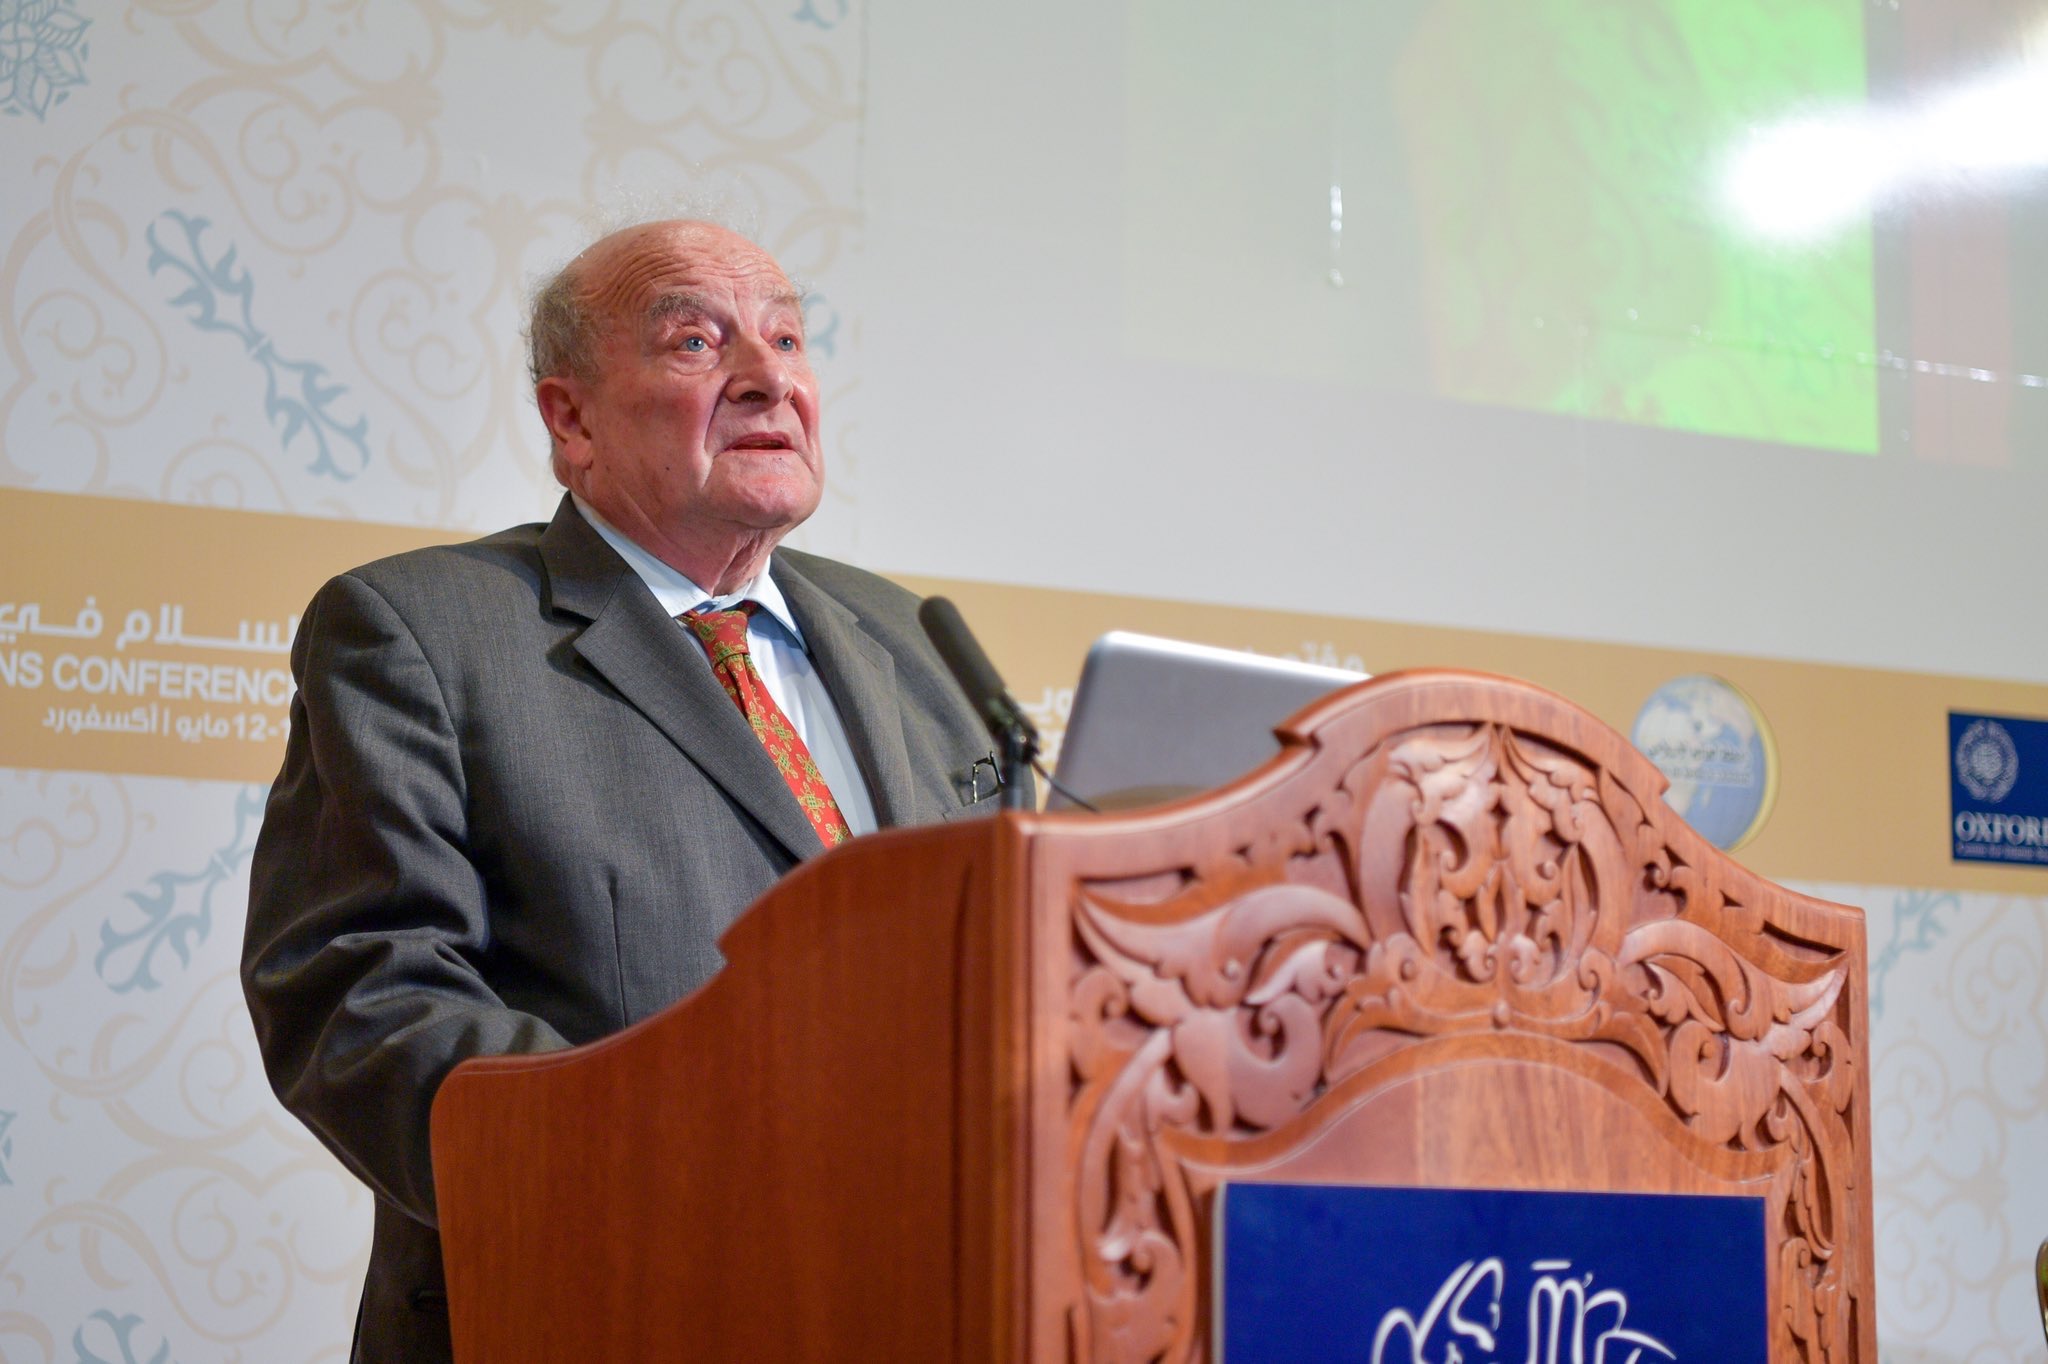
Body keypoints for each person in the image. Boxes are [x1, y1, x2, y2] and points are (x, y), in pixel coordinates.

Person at [241, 218, 1001, 1363]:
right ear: (570, 417)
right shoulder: (421, 631)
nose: (768, 377)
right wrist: (682, 1160)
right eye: (697, 342)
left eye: (788, 338)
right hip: (591, 1304)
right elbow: (358, 995)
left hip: (920, 1300)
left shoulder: (911, 637)